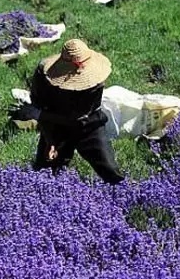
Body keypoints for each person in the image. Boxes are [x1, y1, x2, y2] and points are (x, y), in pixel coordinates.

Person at [9, 38, 124, 184]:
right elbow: (40, 105)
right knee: (45, 174)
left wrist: (39, 115)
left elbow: (77, 119)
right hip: (56, 126)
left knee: (111, 173)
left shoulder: (94, 83)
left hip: (88, 126)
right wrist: (50, 139)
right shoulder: (43, 74)